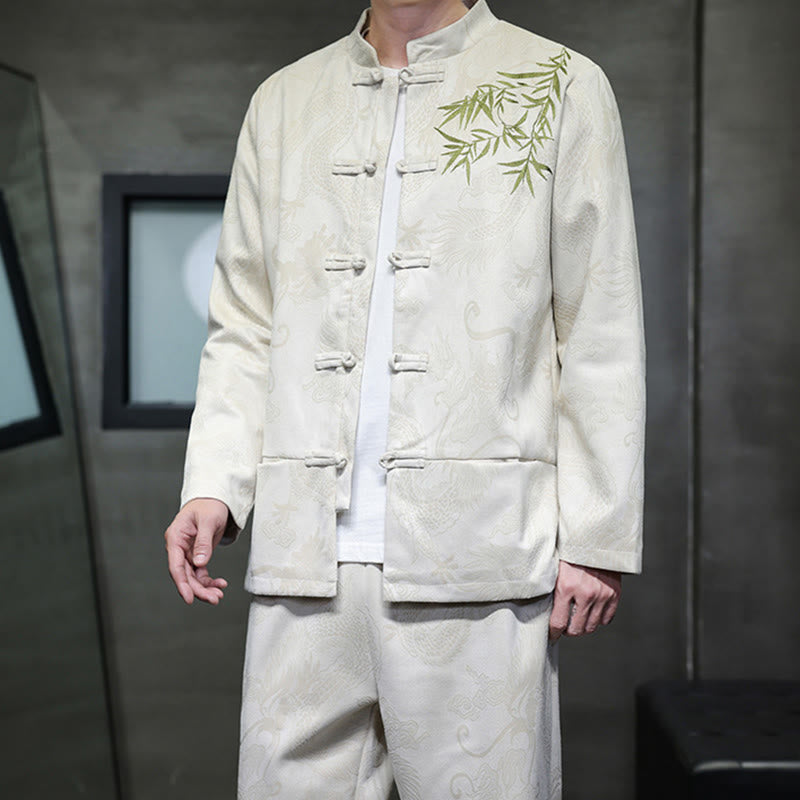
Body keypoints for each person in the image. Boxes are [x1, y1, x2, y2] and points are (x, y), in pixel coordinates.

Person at [164, 0, 646, 796]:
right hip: (303, 561)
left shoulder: (560, 84)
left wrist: (597, 533)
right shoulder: (284, 101)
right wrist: (214, 483)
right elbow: (245, 322)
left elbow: (599, 322)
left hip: (480, 555)